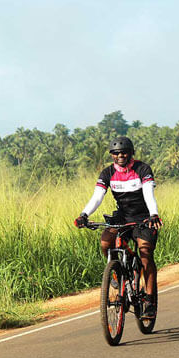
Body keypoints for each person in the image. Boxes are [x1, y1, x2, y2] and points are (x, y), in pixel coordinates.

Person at [74, 136, 162, 317]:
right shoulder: (107, 173)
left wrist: (154, 214)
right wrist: (84, 215)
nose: (120, 156)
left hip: (144, 216)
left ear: (131, 153)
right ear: (112, 155)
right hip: (122, 216)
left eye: (124, 153)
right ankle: (116, 274)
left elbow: (148, 193)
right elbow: (97, 196)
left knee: (145, 254)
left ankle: (150, 300)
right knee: (106, 242)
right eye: (116, 153)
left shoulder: (142, 169)